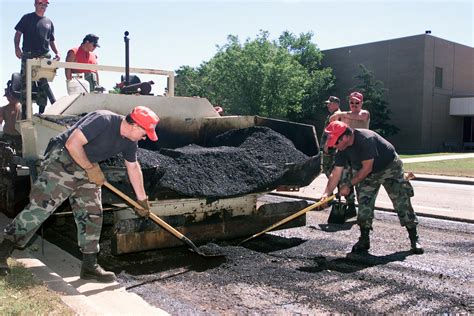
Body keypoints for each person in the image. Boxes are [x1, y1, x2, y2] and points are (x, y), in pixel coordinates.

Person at [0, 106, 160, 282]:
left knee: (92, 213)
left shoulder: (130, 141)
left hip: (87, 166)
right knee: (40, 209)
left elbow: (134, 167)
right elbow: (72, 143)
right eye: (145, 133)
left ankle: (89, 266)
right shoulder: (103, 120)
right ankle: (2, 252)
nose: (145, 137)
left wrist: (142, 200)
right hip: (62, 160)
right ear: (135, 126)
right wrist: (92, 169)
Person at [320, 120, 423, 254]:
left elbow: (367, 168)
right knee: (364, 202)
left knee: (401, 201)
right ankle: (364, 239)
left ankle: (414, 238)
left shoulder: (365, 139)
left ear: (345, 136)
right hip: (368, 173)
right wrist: (326, 193)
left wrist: (349, 185)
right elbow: (336, 172)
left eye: (336, 142)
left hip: (389, 168)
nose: (335, 146)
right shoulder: (342, 148)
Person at [14, 0, 60, 118]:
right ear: (35, 4)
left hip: (44, 55)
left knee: (43, 83)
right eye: (40, 4)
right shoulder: (27, 18)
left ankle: (41, 113)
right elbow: (18, 34)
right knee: (26, 84)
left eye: (45, 5)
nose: (43, 6)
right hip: (28, 54)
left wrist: (57, 52)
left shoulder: (49, 22)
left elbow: (52, 40)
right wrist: (17, 49)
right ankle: (25, 113)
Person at [0, 79, 22, 153]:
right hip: (7, 137)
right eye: (7, 96)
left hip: (20, 138)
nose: (9, 98)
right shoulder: (3, 109)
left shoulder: (24, 108)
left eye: (10, 96)